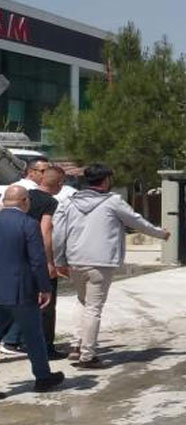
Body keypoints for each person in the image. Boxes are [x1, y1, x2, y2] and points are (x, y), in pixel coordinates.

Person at [53, 163, 171, 369]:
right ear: (106, 180)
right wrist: (160, 234)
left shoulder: (68, 202)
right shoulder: (112, 202)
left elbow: (58, 233)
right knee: (94, 308)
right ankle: (88, 355)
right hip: (100, 262)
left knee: (82, 302)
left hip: (75, 260)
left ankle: (76, 345)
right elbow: (137, 222)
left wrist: (59, 260)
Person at [0, 186, 65, 395]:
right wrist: (45, 287)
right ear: (25, 201)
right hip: (21, 291)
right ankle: (43, 378)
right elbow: (37, 260)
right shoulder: (28, 224)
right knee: (34, 335)